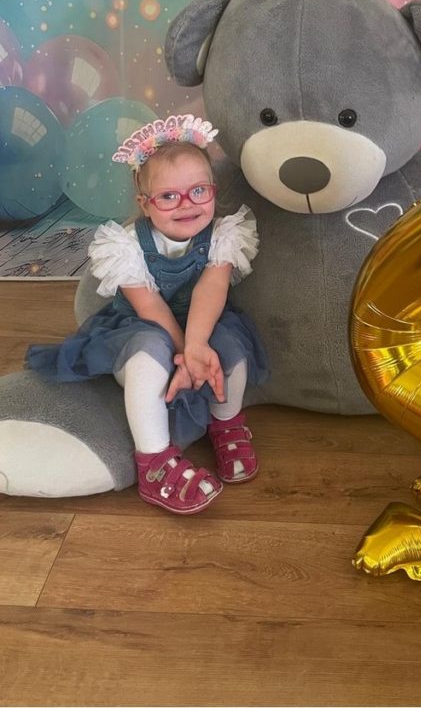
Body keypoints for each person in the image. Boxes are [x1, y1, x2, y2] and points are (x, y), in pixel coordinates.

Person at [27, 113, 268, 516]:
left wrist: (197, 346)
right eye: (168, 196)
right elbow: (150, 306)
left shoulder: (224, 234)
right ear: (145, 204)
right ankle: (154, 462)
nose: (187, 204)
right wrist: (185, 353)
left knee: (232, 348)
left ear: (213, 189)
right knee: (148, 355)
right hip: (142, 326)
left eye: (198, 191)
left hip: (202, 320)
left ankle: (225, 421)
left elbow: (211, 289)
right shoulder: (126, 246)